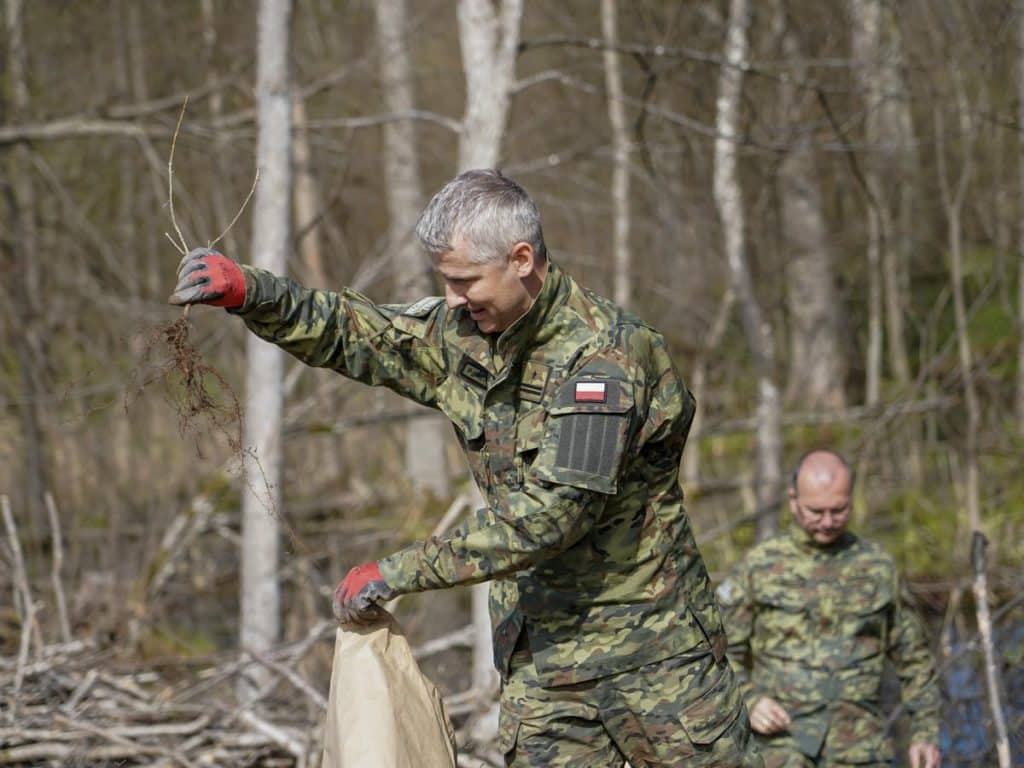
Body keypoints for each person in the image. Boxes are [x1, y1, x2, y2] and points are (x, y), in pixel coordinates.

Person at [169, 169, 760, 767]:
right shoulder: (466, 334)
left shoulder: (602, 359)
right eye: (445, 282)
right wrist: (253, 292)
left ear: (521, 258)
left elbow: (551, 520)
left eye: (464, 281)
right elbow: (358, 332)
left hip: (653, 655)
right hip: (544, 663)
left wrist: (398, 572)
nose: (452, 298)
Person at [716, 449, 942, 768]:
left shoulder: (877, 567)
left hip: (861, 747)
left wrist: (925, 733)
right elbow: (720, 654)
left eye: (839, 510)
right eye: (816, 511)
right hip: (780, 747)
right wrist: (748, 700)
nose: (827, 522)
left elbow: (914, 658)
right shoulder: (759, 566)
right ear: (793, 500)